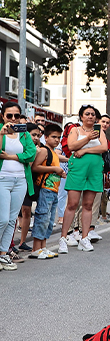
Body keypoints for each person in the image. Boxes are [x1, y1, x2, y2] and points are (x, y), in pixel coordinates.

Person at [58, 105, 107, 252]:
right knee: (72, 204)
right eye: (87, 114)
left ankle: (84, 238)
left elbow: (104, 148)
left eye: (93, 114)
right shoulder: (75, 129)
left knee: (88, 204)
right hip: (78, 168)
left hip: (95, 168)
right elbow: (72, 146)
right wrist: (87, 138)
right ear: (81, 117)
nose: (91, 116)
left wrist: (85, 150)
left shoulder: (100, 131)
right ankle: (63, 238)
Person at [0, 102, 37, 271]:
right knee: (3, 219)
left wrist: (10, 156)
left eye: (17, 116)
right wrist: (1, 134)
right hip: (3, 179)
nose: (13, 119)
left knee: (12, 219)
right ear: (3, 116)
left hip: (21, 180)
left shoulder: (24, 134)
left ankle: (3, 254)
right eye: (10, 116)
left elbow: (31, 154)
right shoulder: (1, 131)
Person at [31, 124, 66, 257]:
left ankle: (43, 247)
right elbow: (36, 167)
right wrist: (54, 169)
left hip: (53, 190)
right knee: (42, 218)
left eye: (59, 137)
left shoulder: (53, 152)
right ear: (45, 137)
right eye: (53, 137)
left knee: (49, 220)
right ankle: (36, 248)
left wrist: (59, 172)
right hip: (45, 189)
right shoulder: (45, 151)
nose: (57, 140)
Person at [17, 124, 43, 253]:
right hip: (23, 181)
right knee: (23, 211)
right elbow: (29, 164)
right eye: (33, 135)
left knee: (28, 212)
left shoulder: (40, 148)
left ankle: (23, 242)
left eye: (38, 135)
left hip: (35, 183)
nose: (36, 138)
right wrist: (34, 152)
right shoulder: (21, 146)